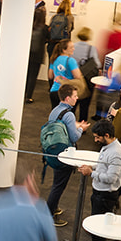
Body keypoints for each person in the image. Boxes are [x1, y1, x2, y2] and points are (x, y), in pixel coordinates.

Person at [73, 120, 121, 241]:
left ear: (107, 135)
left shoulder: (116, 153)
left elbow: (112, 178)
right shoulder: (108, 147)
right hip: (99, 193)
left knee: (99, 234)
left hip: (105, 196)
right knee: (95, 230)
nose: (95, 140)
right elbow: (103, 166)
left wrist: (91, 173)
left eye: (97, 137)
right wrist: (92, 168)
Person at [44, 85, 84, 226]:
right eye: (74, 96)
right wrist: (80, 128)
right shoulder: (69, 114)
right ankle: (49, 212)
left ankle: (53, 207)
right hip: (65, 154)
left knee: (57, 182)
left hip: (54, 152)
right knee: (58, 185)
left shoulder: (55, 111)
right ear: (67, 98)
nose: (77, 98)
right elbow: (73, 137)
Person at [48, 39, 83, 107]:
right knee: (67, 115)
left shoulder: (54, 59)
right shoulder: (71, 60)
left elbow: (50, 76)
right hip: (67, 93)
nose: (73, 49)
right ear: (64, 50)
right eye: (71, 47)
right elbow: (78, 76)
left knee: (56, 114)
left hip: (54, 91)